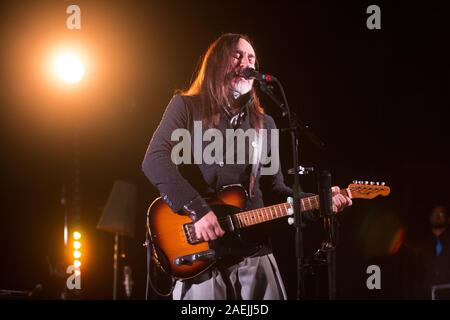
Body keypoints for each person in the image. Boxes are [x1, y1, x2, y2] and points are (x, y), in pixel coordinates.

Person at [142, 33, 352, 300]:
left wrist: (320, 202)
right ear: (217, 63)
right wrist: (198, 209)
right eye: (237, 55)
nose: (246, 62)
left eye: (251, 57)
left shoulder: (266, 125)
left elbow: (275, 190)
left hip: (253, 251)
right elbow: (154, 159)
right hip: (200, 251)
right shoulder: (185, 106)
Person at [413, 205, 450, 299]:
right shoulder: (421, 247)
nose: (438, 216)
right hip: (427, 296)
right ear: (430, 219)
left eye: (441, 213)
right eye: (434, 213)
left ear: (448, 219)